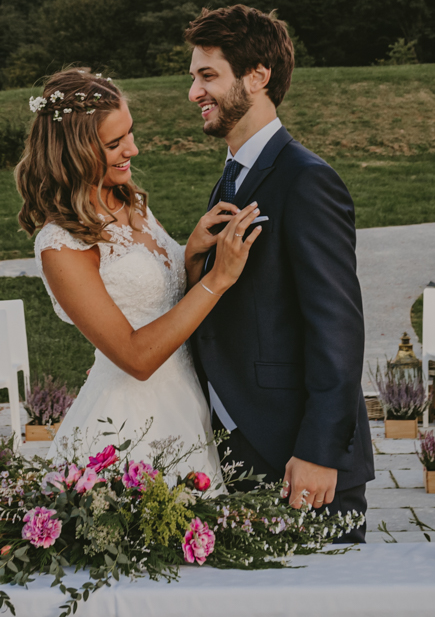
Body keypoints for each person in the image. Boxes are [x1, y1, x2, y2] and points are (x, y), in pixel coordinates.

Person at [185, 4, 373, 542]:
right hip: (239, 446)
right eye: (194, 77)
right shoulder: (234, 177)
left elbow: (337, 329)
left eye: (207, 76)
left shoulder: (307, 180)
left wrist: (318, 451)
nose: (194, 92)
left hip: (297, 457)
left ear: (257, 77)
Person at [21, 67, 262, 479]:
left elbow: (164, 299)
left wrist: (191, 252)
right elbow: (136, 357)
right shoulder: (61, 245)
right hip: (128, 426)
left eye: (129, 133)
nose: (132, 149)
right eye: (114, 143)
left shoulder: (126, 199)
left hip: (187, 400)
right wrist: (216, 279)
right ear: (73, 152)